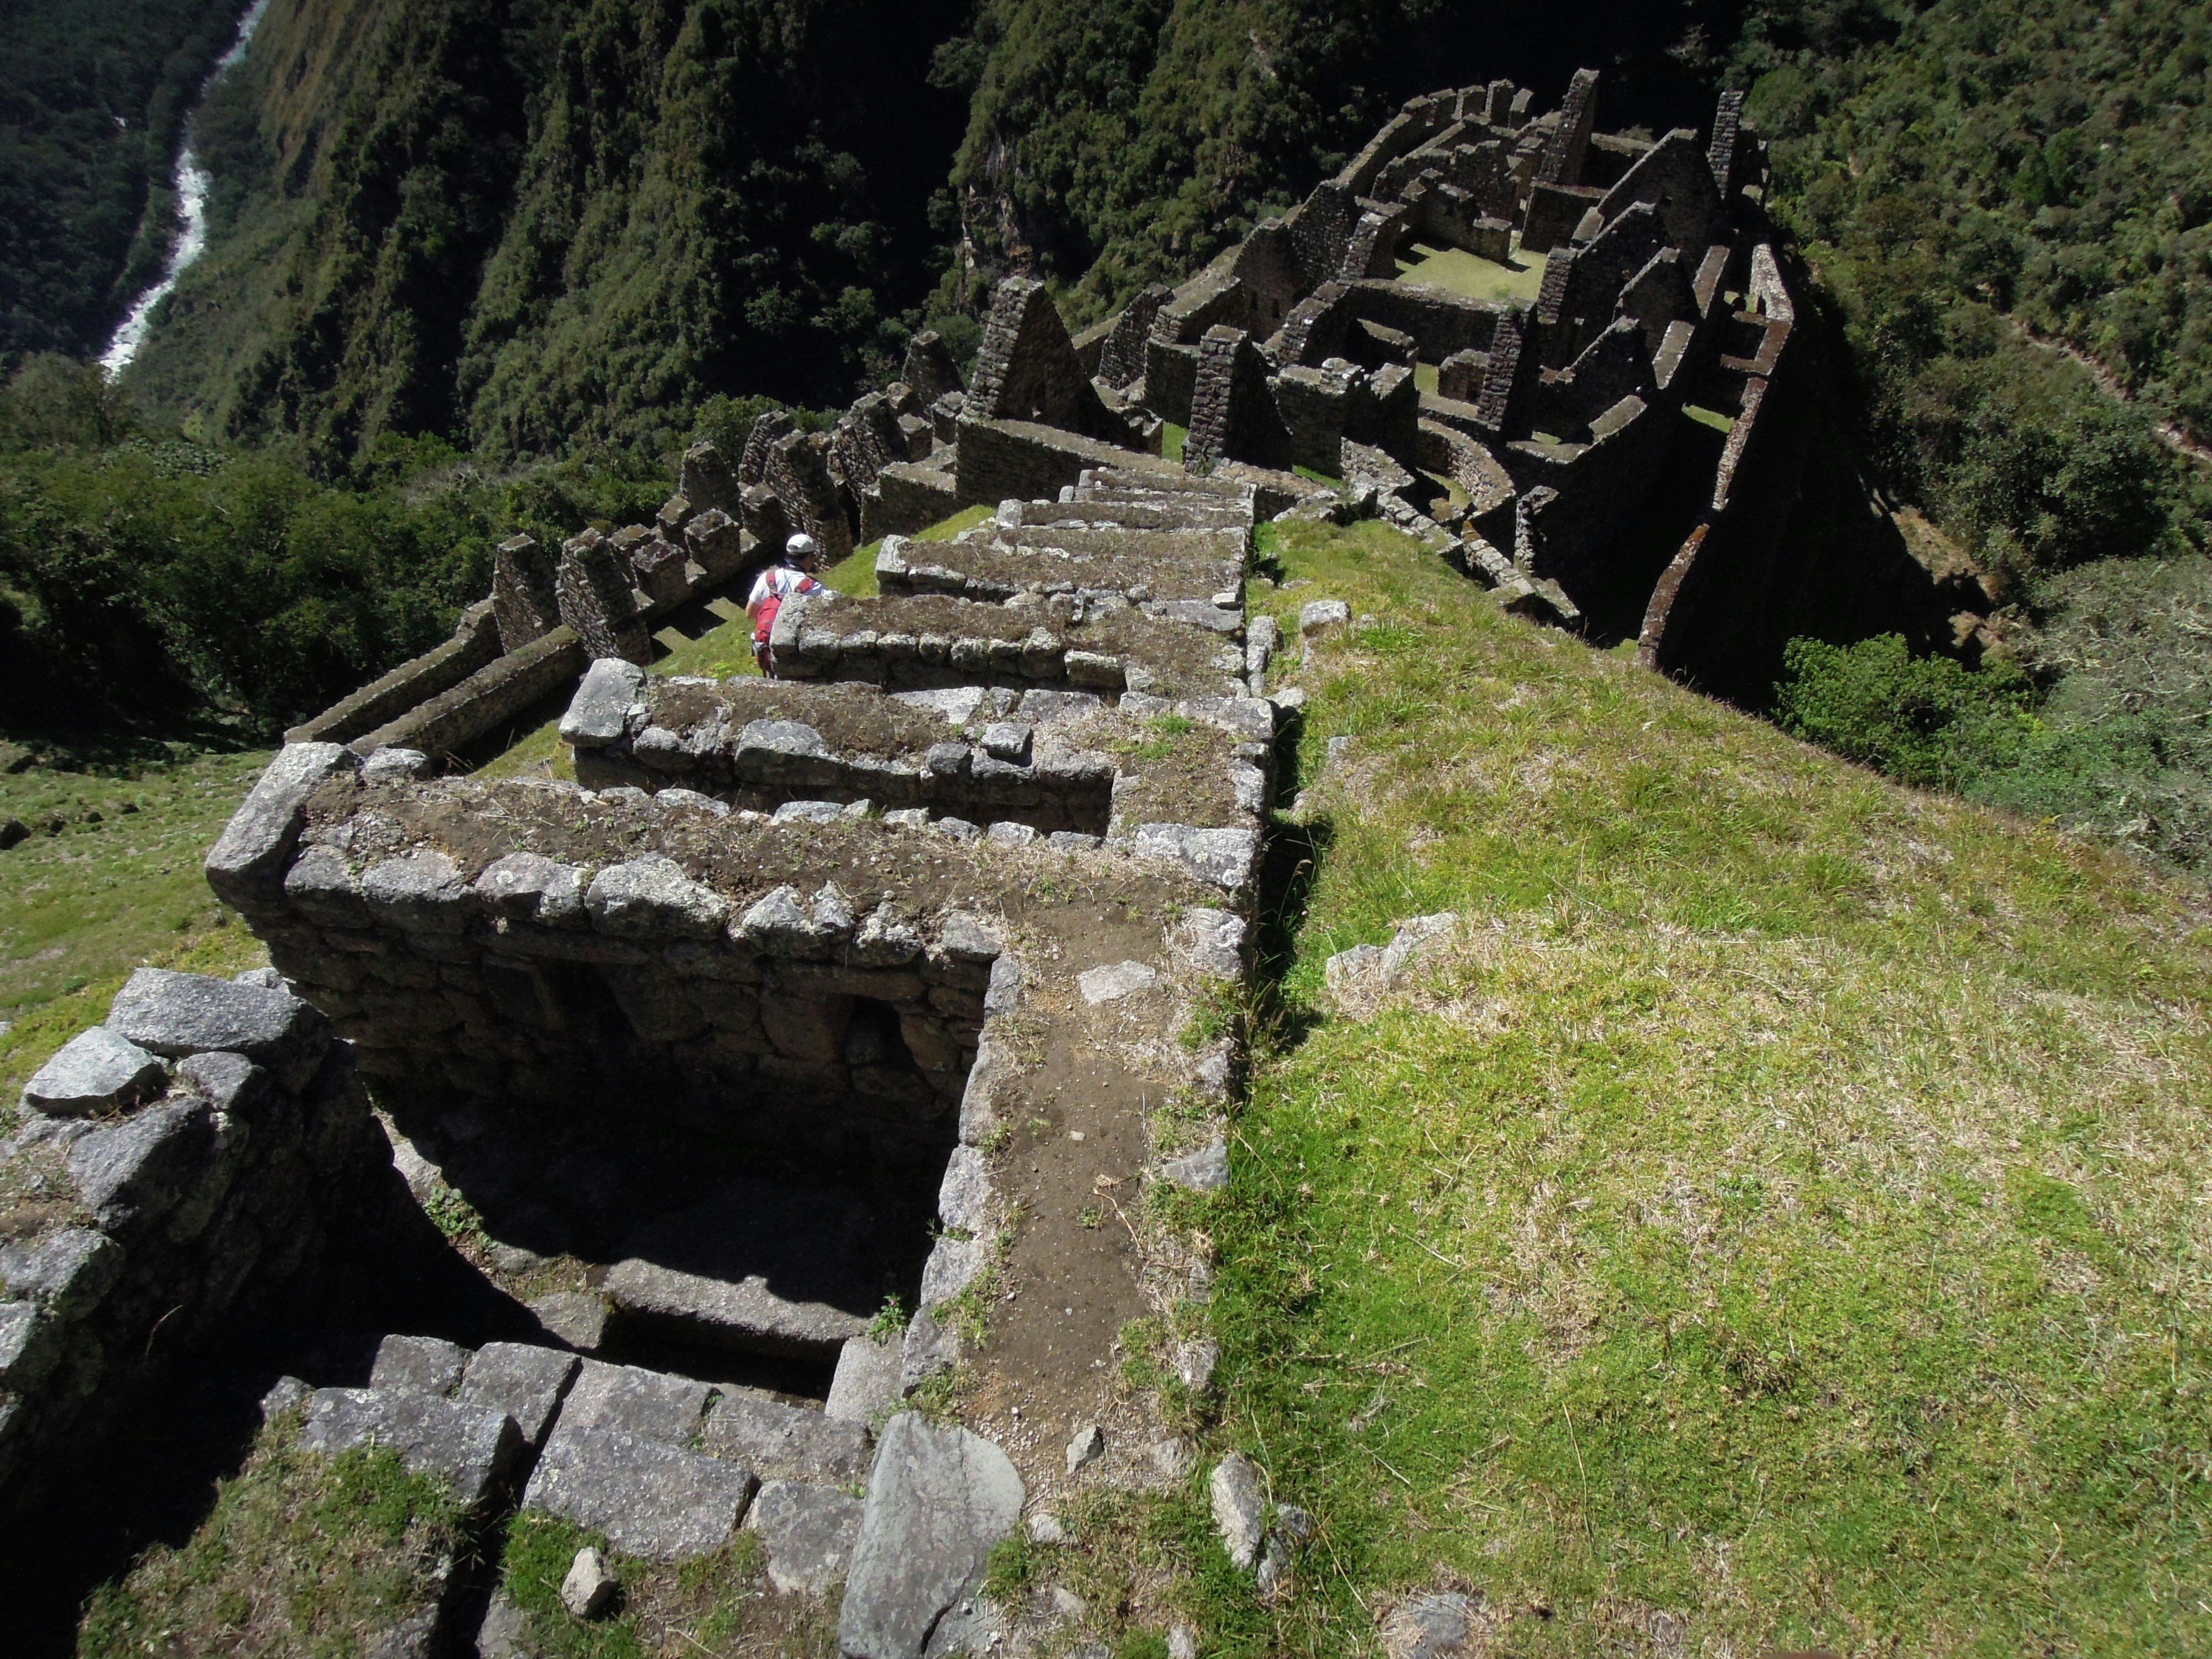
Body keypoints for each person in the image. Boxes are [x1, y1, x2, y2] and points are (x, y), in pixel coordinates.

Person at [748, 533, 824, 675]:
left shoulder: (767, 578)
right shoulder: (815, 588)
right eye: (813, 556)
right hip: (795, 656)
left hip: (767, 649)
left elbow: (751, 613)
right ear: (808, 558)